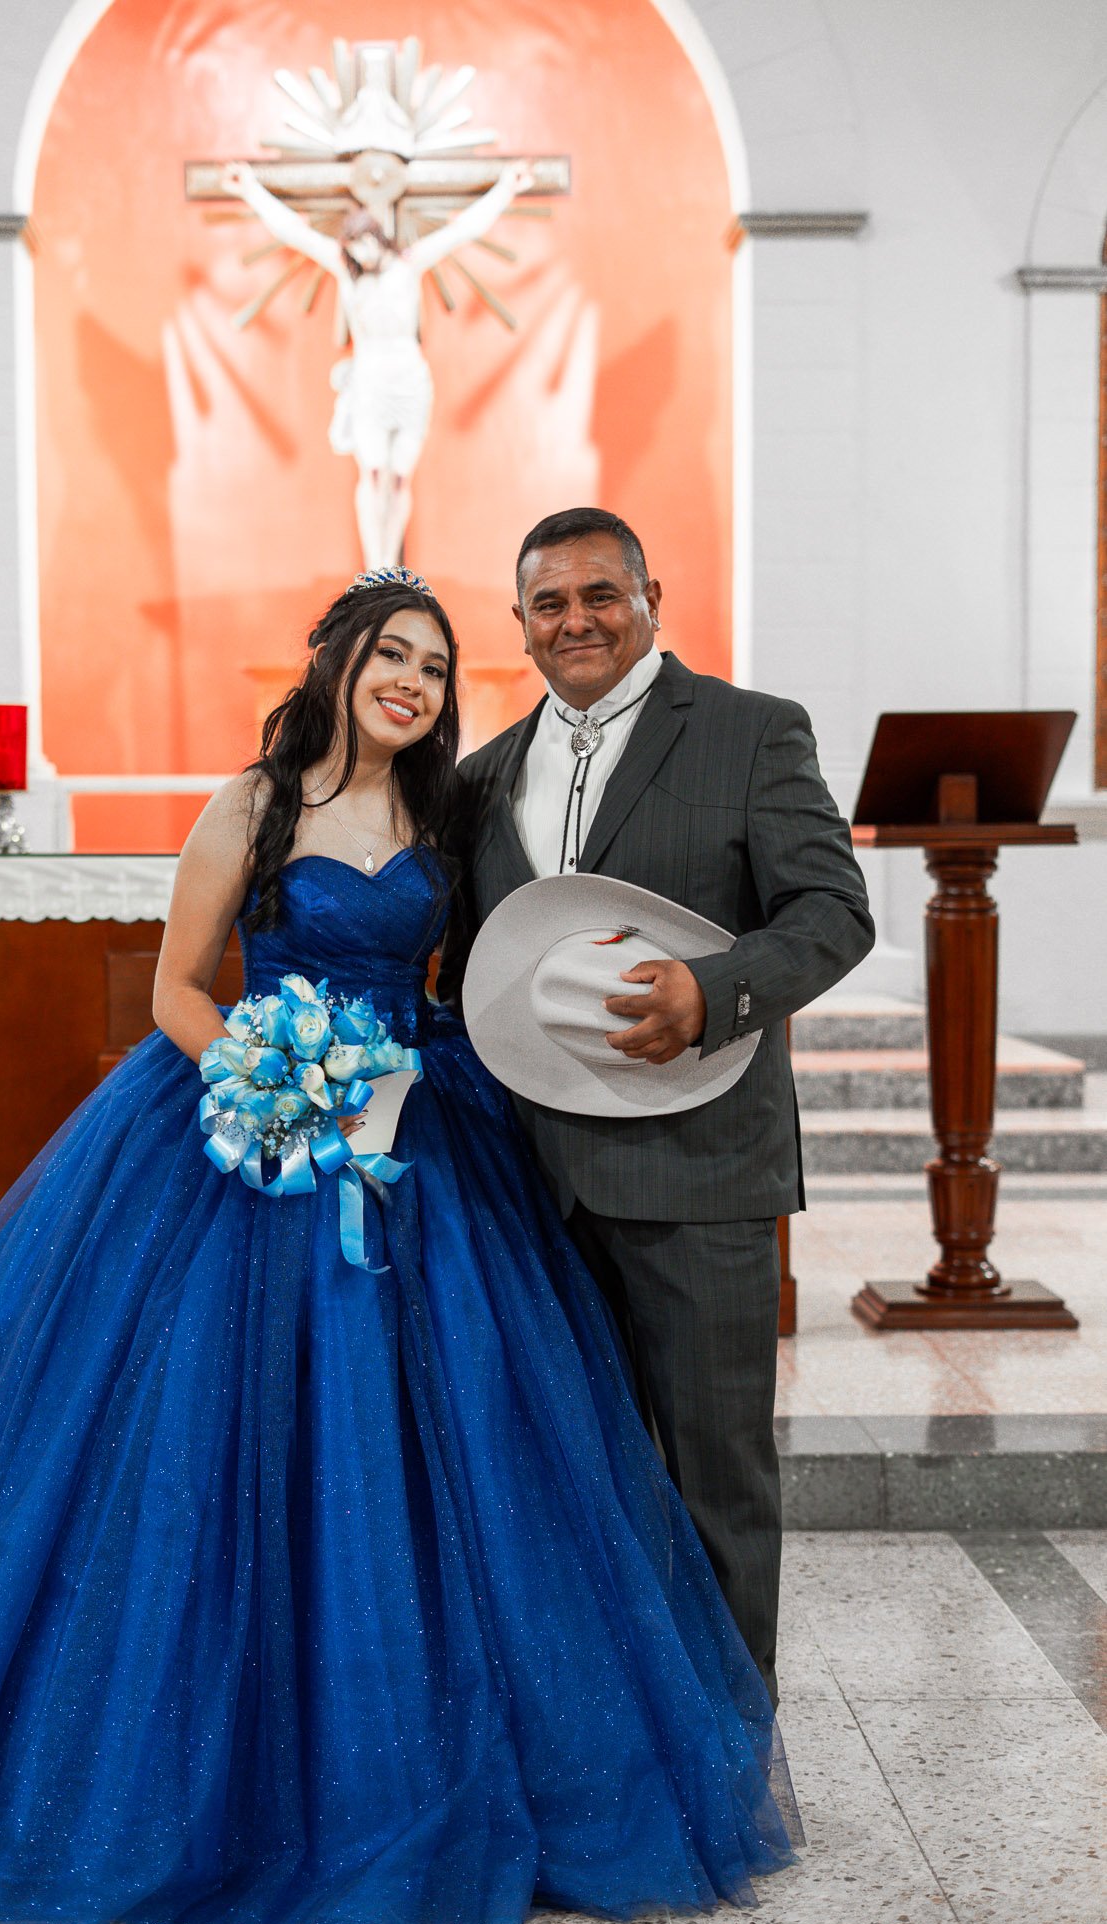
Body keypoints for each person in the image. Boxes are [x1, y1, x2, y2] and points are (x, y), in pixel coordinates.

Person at [0, 567, 796, 1924]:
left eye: (436, 667)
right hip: (244, 1139)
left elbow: (473, 974)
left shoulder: (449, 819)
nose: (412, 681)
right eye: (392, 654)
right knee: (205, 1448)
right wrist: (269, 1078)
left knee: (442, 1448)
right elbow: (176, 988)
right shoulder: (252, 805)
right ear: (338, 660)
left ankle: (446, 1765)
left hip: (419, 1135)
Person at [440, 509, 875, 1705]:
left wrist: (715, 990)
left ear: (651, 598)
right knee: (568, 1474)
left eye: (600, 594)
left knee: (712, 1473)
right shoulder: (478, 780)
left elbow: (835, 913)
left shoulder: (749, 733)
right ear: (519, 626)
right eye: (548, 603)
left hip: (699, 1173)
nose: (575, 619)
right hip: (531, 1192)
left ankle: (732, 1749)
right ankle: (612, 1739)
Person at [218, 160, 533, 568]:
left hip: (408, 380)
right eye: (351, 249)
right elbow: (292, 232)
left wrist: (506, 188)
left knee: (400, 475)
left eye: (362, 245)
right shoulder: (347, 273)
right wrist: (251, 190)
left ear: (376, 237)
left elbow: (463, 231)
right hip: (369, 380)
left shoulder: (409, 265)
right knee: (371, 474)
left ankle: (391, 563)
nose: (358, 255)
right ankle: (375, 565)